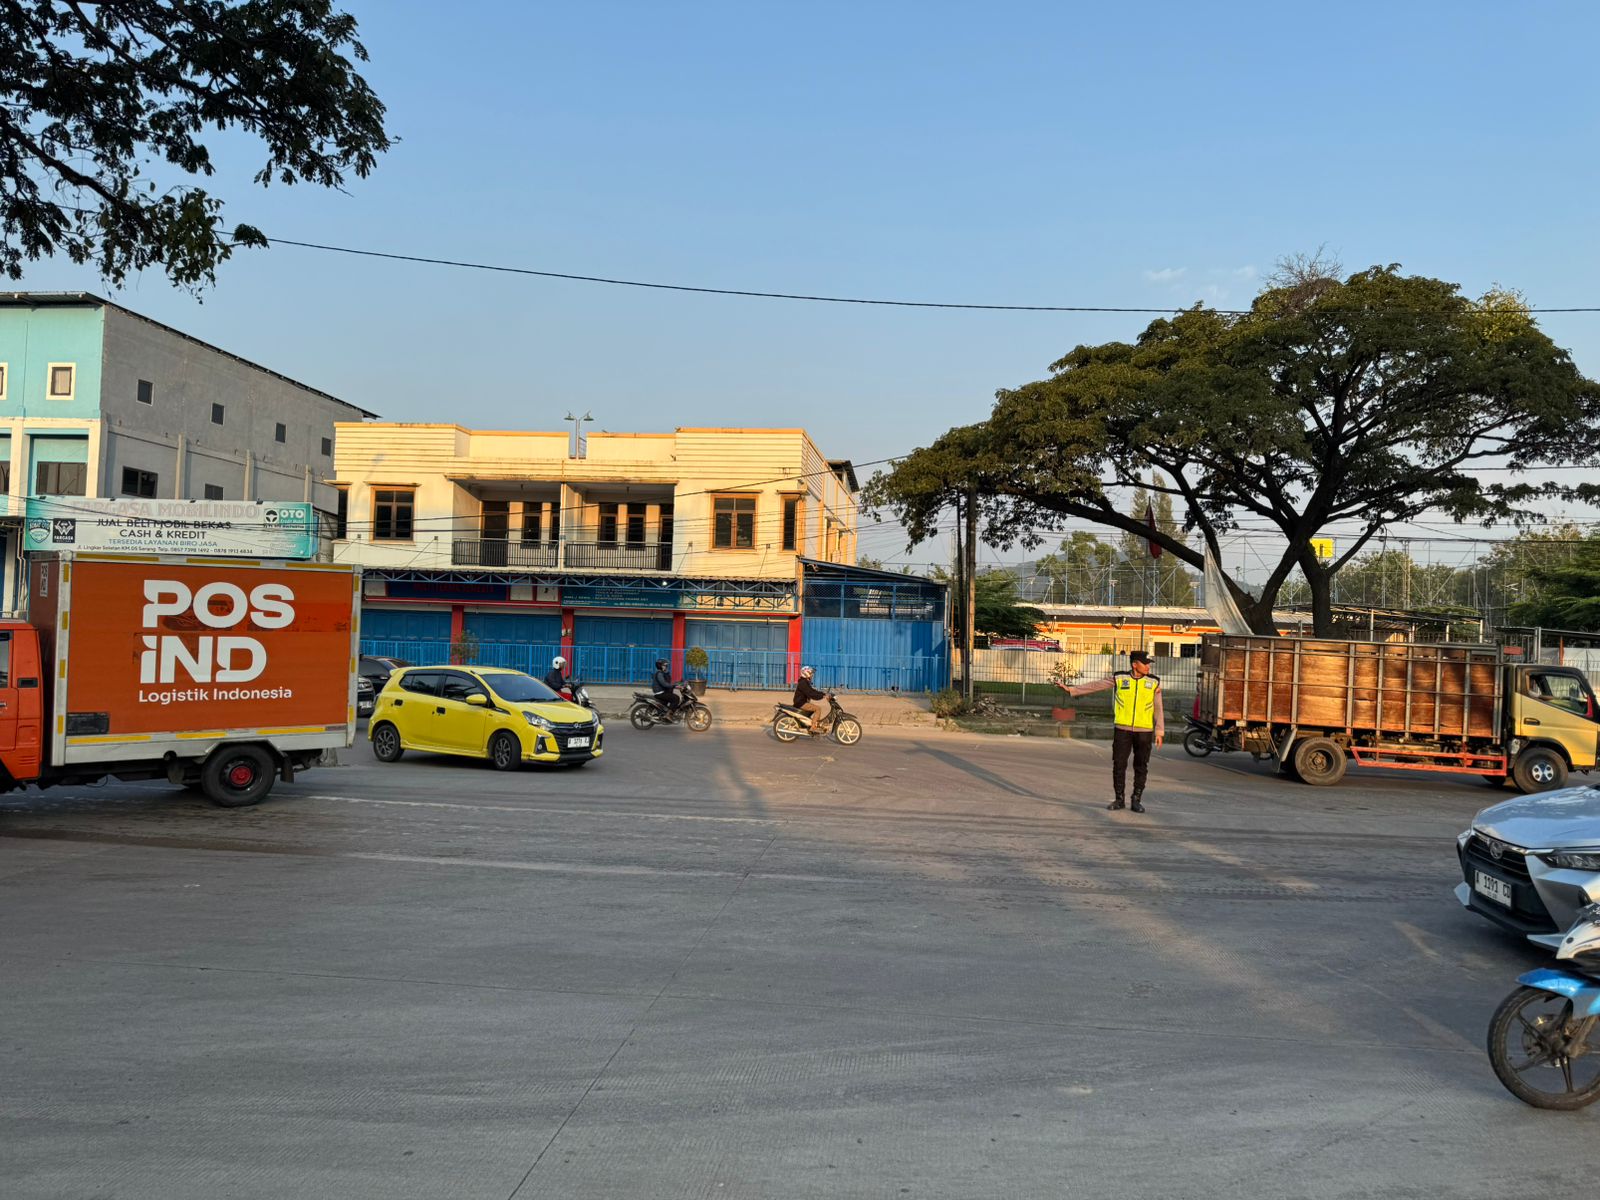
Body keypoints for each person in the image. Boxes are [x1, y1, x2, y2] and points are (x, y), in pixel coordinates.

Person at [1059, 650, 1164, 813]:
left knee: (1141, 765)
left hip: (1144, 731)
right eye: (1145, 663)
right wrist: (1073, 690)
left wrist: (1159, 731)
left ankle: (1136, 800)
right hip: (1122, 730)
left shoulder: (1154, 682)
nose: (1148, 666)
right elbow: (1096, 685)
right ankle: (1119, 799)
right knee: (1119, 764)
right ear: (1134, 664)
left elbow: (1158, 707)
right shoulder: (1120, 678)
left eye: (1149, 664)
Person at [793, 666, 827, 735]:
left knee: (814, 709)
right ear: (806, 673)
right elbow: (811, 694)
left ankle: (812, 724)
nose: (812, 675)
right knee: (818, 709)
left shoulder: (805, 682)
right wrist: (822, 696)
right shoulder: (803, 683)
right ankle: (813, 728)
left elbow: (812, 691)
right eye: (811, 673)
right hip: (801, 703)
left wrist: (823, 694)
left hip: (802, 702)